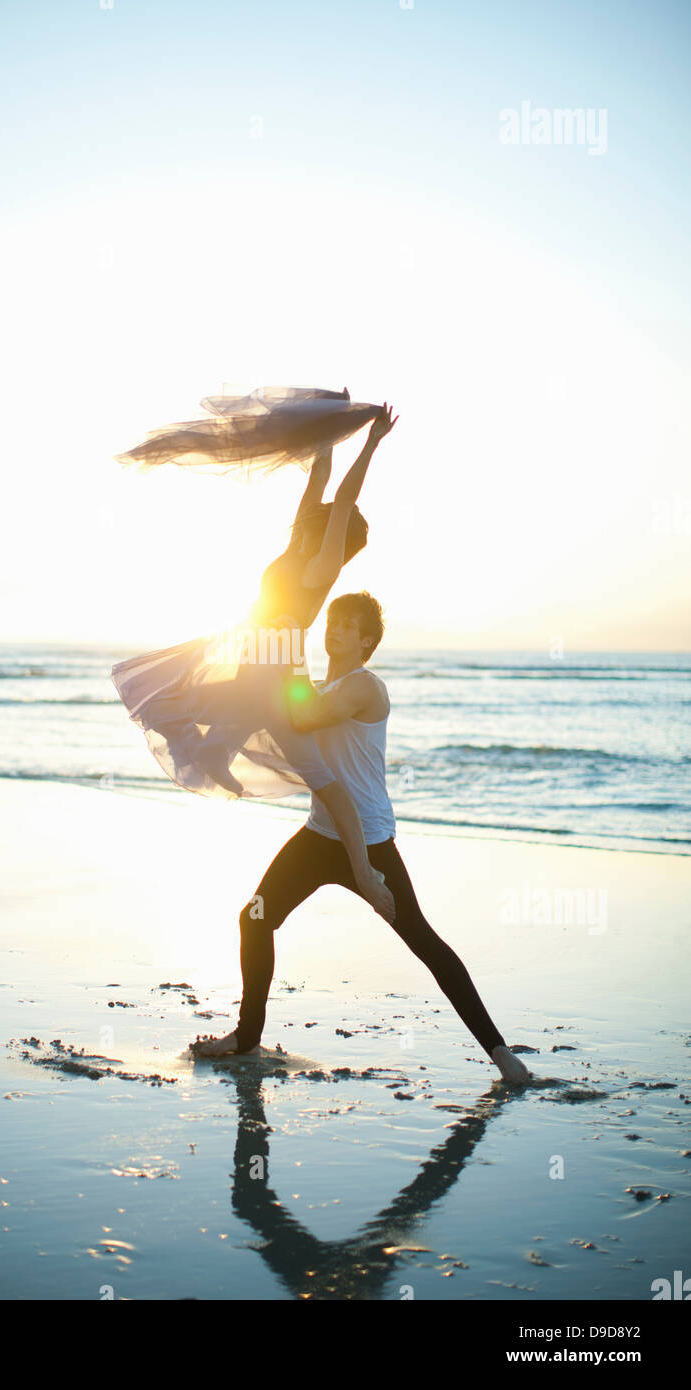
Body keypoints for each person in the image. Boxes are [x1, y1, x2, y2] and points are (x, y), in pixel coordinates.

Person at [191, 591, 532, 1087]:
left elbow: (303, 715)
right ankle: (247, 1038)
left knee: (423, 941)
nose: (335, 628)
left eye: (348, 625)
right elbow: (290, 706)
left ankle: (504, 1057)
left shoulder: (364, 687)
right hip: (320, 834)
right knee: (256, 918)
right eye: (333, 619)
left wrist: (289, 656)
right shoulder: (330, 684)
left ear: (367, 640)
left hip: (369, 841)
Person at [112, 393, 400, 924]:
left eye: (338, 524)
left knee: (327, 784)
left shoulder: (322, 568)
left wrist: (371, 445)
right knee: (176, 698)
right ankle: (218, 753)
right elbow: (319, 483)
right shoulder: (296, 549)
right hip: (258, 656)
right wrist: (327, 437)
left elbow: (341, 496)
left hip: (275, 668)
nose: (326, 517)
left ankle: (362, 868)